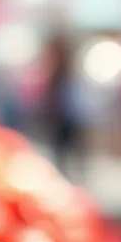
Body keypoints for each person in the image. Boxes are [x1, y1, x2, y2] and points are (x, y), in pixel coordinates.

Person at [42, 35, 82, 178]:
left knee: (72, 150)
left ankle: (72, 175)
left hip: (69, 117)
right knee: (61, 151)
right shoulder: (56, 75)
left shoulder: (66, 74)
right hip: (60, 118)